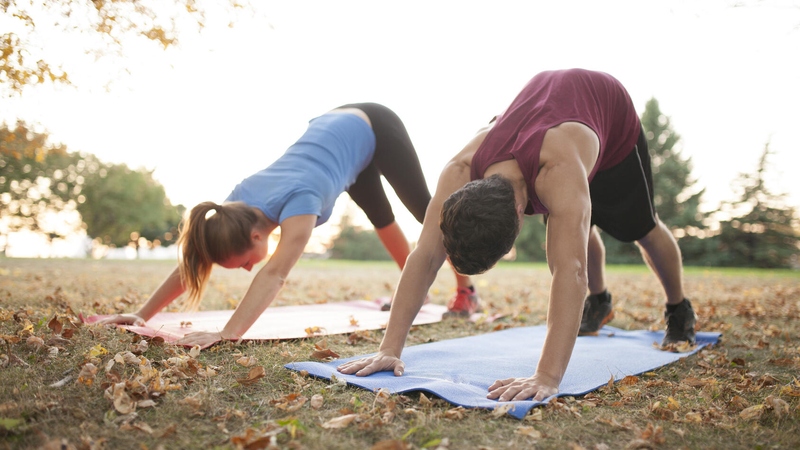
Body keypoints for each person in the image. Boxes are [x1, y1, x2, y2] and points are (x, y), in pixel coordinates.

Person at [337, 70, 698, 403]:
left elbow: (570, 270)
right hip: (550, 116)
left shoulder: (558, 170)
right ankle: (600, 302)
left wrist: (546, 376)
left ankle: (678, 308)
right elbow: (426, 255)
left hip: (608, 113)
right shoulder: (460, 169)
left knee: (639, 228)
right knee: (574, 225)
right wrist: (390, 348)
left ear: (519, 218)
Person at [97, 103, 480, 348]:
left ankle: (467, 292)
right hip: (338, 137)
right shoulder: (236, 204)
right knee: (382, 220)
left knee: (428, 214)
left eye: (245, 262)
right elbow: (196, 260)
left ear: (255, 235)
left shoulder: (301, 203)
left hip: (372, 123)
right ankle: (419, 291)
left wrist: (227, 333)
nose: (250, 269)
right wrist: (143, 313)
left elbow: (274, 273)